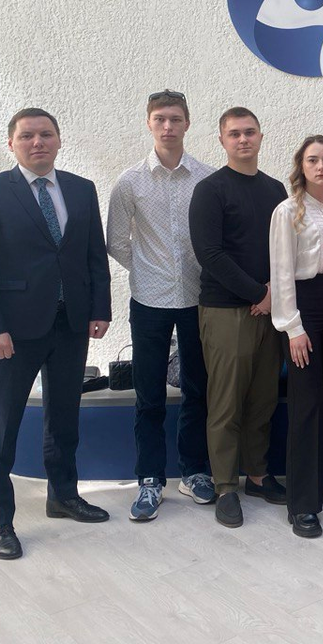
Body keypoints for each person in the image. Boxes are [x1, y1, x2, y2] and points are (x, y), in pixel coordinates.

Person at [0, 108, 112, 560]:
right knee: (0, 428)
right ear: (12, 144)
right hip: (12, 332)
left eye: (46, 134)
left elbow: (93, 255)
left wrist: (99, 309)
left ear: (59, 140)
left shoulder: (81, 190)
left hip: (70, 324)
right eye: (27, 136)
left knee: (64, 419)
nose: (37, 142)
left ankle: (62, 495)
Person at [107, 90, 215, 522]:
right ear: (149, 123)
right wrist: (149, 270)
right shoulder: (130, 181)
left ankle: (194, 471)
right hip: (149, 301)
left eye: (175, 119)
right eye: (159, 119)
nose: (168, 126)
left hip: (197, 299)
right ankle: (150, 479)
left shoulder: (206, 178)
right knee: (149, 395)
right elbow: (117, 241)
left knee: (198, 390)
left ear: (187, 123)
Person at [189, 107, 288, 528]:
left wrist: (274, 295)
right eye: (234, 134)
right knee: (226, 402)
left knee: (262, 399)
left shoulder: (275, 189)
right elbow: (209, 254)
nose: (243, 139)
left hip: (270, 311)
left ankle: (258, 476)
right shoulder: (210, 190)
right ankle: (226, 486)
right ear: (222, 141)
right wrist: (258, 293)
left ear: (261, 136)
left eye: (249, 132)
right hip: (227, 310)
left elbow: (285, 248)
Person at [269, 135, 323, 537]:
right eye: (313, 160)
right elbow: (281, 272)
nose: (321, 167)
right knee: (307, 402)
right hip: (306, 305)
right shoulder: (288, 211)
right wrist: (293, 327)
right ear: (301, 166)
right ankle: (302, 503)